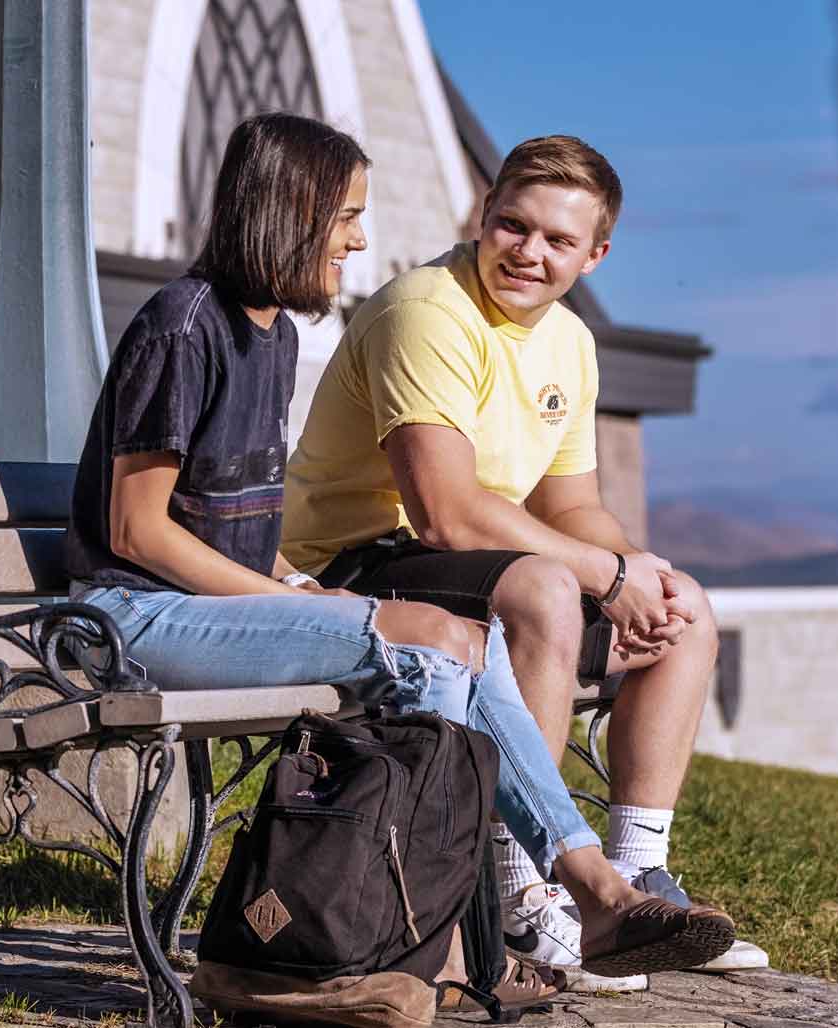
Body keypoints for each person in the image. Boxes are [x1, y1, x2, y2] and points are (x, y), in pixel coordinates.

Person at [61, 113, 735, 1001]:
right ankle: (538, 903)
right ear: (288, 213)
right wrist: (319, 606)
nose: (359, 237)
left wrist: (287, 584)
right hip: (128, 616)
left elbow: (232, 527)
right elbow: (138, 533)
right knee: (431, 638)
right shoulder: (182, 325)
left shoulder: (272, 333)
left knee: (461, 648)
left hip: (220, 606)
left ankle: (528, 912)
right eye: (345, 215)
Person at [280, 134, 764, 975]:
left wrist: (640, 577)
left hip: (476, 566)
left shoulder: (569, 343)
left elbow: (571, 506)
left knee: (684, 606)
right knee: (542, 589)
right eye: (514, 225)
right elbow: (446, 515)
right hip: (352, 568)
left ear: (596, 254)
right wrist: (602, 577)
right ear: (484, 214)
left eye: (558, 241)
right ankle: (520, 895)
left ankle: (634, 877)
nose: (529, 253)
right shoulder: (425, 311)